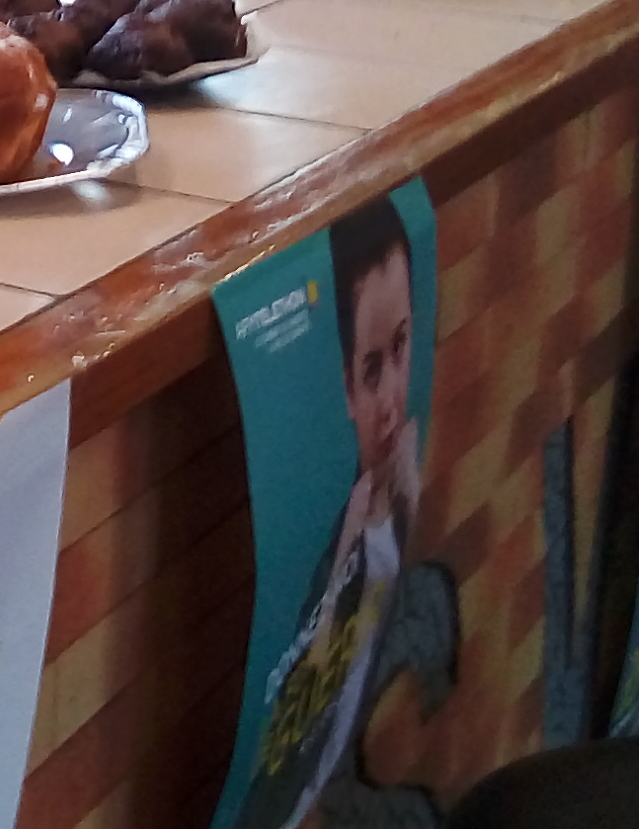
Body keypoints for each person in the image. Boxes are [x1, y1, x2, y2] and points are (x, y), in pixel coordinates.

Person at [237, 198, 427, 829]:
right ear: (345, 389)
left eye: (402, 347)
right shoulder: (328, 562)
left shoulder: (397, 496)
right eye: (371, 371)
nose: (392, 396)